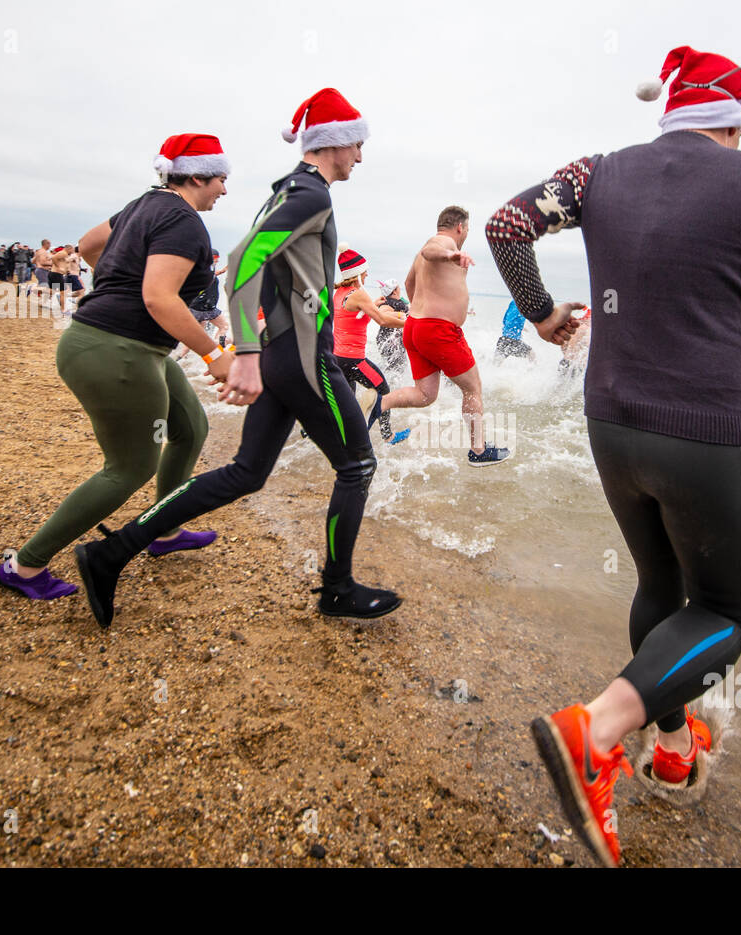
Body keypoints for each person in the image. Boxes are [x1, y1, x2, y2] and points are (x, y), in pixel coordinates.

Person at [488, 45, 741, 866]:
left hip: (609, 420)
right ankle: (595, 731)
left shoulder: (598, 171)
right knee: (728, 611)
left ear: (671, 110)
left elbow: (506, 226)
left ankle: (671, 747)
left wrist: (540, 316)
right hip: (706, 432)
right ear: (735, 121)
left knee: (661, 585)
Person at [71, 89, 401, 627]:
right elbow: (244, 256)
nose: (359, 158)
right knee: (358, 464)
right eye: (357, 145)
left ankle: (111, 553)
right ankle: (337, 589)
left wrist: (257, 350)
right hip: (299, 356)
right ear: (334, 142)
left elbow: (263, 266)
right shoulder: (311, 194)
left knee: (247, 472)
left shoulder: (285, 192)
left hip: (282, 354)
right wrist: (244, 352)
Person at [0, 133, 233, 601]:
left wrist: (113, 285)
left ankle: (164, 531)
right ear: (198, 175)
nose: (224, 190)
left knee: (191, 427)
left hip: (113, 343)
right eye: (221, 180)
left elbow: (87, 245)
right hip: (117, 350)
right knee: (129, 466)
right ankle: (24, 566)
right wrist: (214, 353)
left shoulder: (142, 205)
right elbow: (158, 297)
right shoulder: (184, 221)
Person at [382, 207, 510, 466]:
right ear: (460, 227)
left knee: (425, 395)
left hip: (416, 327)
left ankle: (378, 404)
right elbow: (433, 249)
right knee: (472, 387)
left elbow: (409, 284)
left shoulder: (422, 255)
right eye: (467, 230)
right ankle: (478, 450)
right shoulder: (443, 243)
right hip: (438, 330)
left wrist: (421, 306)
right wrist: (451, 252)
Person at [332, 246, 409, 443]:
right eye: (364, 271)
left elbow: (353, 314)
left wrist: (372, 304)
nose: (367, 274)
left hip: (338, 357)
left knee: (347, 404)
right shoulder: (358, 294)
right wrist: (410, 324)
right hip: (354, 359)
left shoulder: (340, 293)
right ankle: (387, 436)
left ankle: (335, 437)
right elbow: (383, 320)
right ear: (356, 273)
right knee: (384, 391)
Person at [173, 248, 229, 359]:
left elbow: (211, 276)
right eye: (216, 258)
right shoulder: (204, 269)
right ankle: (217, 353)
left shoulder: (206, 269)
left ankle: (178, 358)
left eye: (218, 258)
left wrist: (223, 270)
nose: (217, 261)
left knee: (196, 336)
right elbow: (207, 277)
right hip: (205, 308)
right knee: (224, 326)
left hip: (198, 308)